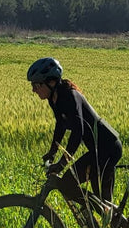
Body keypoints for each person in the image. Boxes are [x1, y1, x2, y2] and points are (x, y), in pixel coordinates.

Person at [26, 57, 122, 205]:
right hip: (98, 150)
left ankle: (102, 216)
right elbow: (60, 126)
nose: (34, 90)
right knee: (100, 200)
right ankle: (98, 217)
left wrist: (62, 163)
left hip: (108, 148)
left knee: (69, 184)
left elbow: (78, 132)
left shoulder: (69, 96)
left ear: (51, 82)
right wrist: (52, 152)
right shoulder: (54, 99)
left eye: (36, 85)